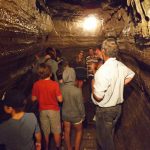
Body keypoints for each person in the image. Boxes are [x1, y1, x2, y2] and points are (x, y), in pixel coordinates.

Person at [91, 38, 135, 150]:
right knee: (109, 135)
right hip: (117, 109)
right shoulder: (120, 65)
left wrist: (93, 86)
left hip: (105, 111)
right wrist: (119, 84)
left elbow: (98, 96)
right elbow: (131, 75)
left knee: (104, 143)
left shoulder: (102, 71)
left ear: (104, 51)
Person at [32, 63, 63, 150]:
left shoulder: (36, 84)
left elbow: (33, 98)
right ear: (50, 73)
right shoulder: (54, 84)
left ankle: (46, 147)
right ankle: (58, 147)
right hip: (54, 110)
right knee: (56, 131)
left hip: (42, 110)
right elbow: (60, 100)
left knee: (45, 132)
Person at [61, 66, 85, 150]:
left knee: (67, 132)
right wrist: (83, 116)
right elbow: (80, 106)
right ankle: (77, 148)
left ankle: (69, 148)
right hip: (76, 116)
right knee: (79, 131)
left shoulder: (61, 88)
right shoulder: (77, 91)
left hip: (65, 115)